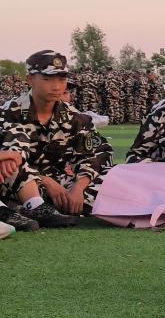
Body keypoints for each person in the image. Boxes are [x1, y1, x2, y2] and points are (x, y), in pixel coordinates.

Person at [0, 50, 114, 229]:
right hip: (22, 184)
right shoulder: (8, 112)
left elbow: (92, 156)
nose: (56, 87)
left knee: (111, 175)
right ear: (30, 79)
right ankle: (33, 207)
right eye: (47, 79)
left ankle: (32, 210)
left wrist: (78, 189)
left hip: (61, 185)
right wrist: (44, 180)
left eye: (61, 80)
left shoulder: (74, 117)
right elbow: (10, 159)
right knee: (11, 162)